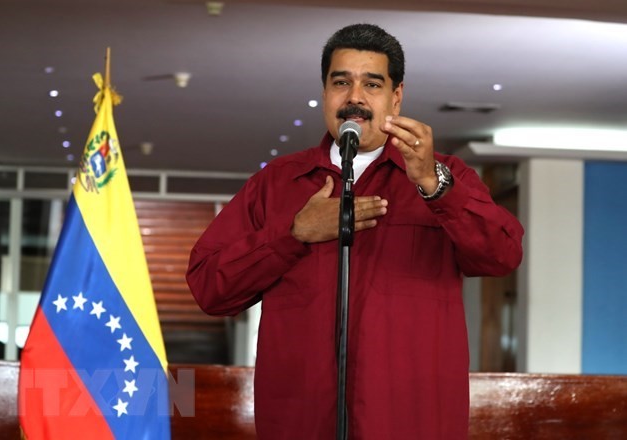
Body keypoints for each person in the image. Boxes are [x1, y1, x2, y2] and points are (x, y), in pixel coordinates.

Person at [187, 23, 524, 439]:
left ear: (396, 97)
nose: (355, 98)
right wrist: (293, 235)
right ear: (325, 93)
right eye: (341, 82)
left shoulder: (446, 176)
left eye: (373, 84)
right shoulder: (277, 183)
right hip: (301, 423)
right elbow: (209, 287)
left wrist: (434, 186)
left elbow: (502, 255)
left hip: (410, 423)